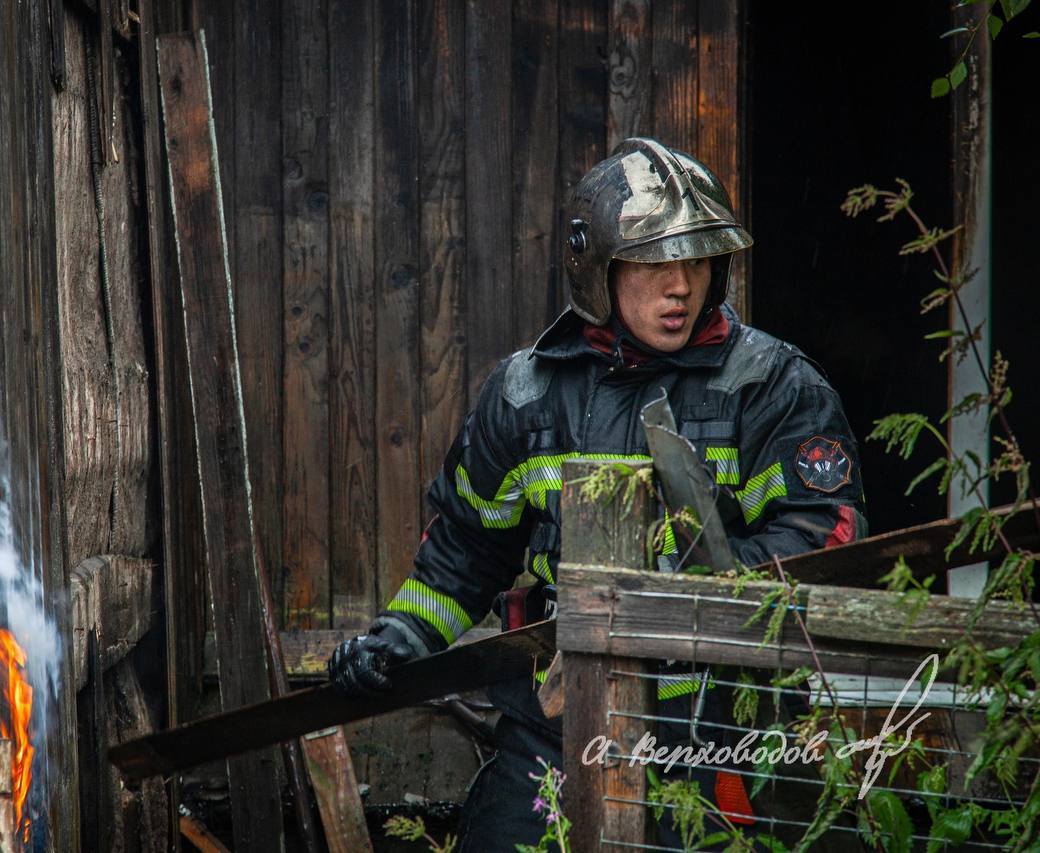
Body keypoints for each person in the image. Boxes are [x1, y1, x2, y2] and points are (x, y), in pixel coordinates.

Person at [328, 137, 867, 850]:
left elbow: (829, 540)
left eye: (697, 261)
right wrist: (398, 639)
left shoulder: (772, 387)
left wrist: (694, 579)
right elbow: (465, 550)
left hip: (721, 733)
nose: (681, 287)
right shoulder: (525, 395)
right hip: (556, 729)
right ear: (598, 269)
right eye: (655, 263)